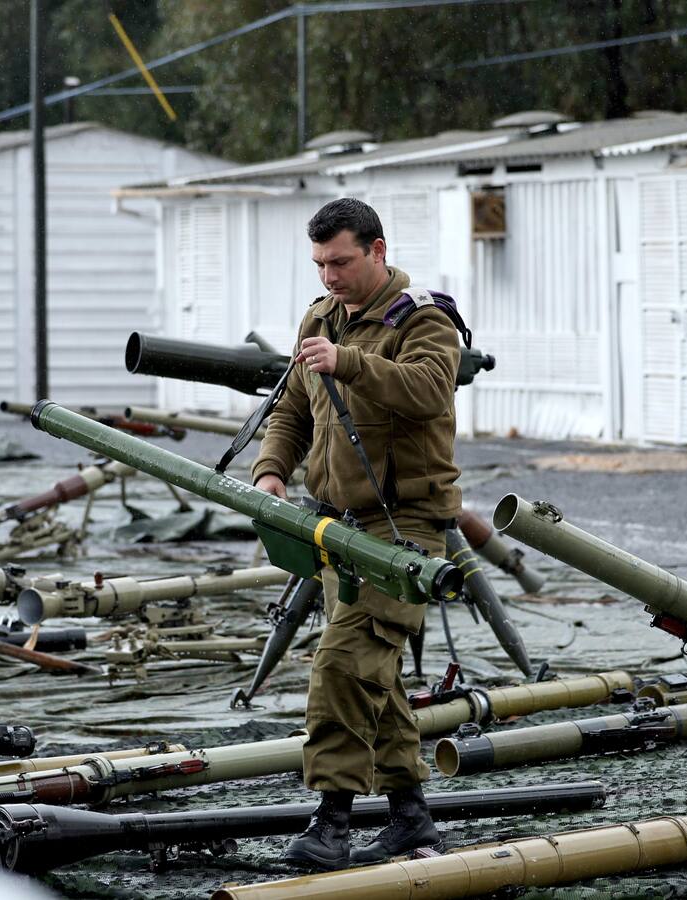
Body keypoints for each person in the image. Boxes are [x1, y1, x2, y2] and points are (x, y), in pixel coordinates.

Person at [252, 197, 462, 870]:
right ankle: (410, 819)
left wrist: (348, 363)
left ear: (377, 250)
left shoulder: (422, 318)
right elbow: (291, 408)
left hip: (405, 531)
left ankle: (333, 821)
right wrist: (270, 472)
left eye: (340, 261)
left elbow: (430, 389)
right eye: (318, 264)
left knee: (343, 664)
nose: (328, 277)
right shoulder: (319, 318)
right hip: (339, 529)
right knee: (379, 678)